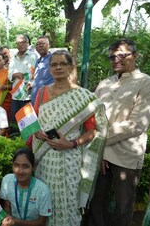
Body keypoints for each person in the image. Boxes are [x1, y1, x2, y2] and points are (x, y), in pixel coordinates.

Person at [32, 50, 108, 226]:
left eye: (62, 64)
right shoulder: (42, 92)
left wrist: (71, 143)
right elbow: (33, 120)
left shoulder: (83, 97)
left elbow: (92, 131)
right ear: (49, 68)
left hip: (70, 157)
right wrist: (36, 132)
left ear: (71, 67)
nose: (57, 67)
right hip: (45, 157)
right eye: (53, 64)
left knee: (69, 200)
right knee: (45, 198)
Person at [88, 39, 150, 226]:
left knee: (123, 205)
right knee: (96, 201)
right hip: (100, 153)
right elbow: (91, 113)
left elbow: (137, 124)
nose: (116, 60)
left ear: (135, 55)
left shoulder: (146, 83)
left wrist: (99, 140)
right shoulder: (104, 84)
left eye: (122, 55)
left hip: (126, 154)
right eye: (112, 57)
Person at [0, 148, 52, 226]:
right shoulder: (7, 180)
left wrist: (15, 221)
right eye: (16, 165)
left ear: (33, 167)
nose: (20, 171)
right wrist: (7, 220)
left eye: (26, 166)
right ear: (12, 165)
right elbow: (7, 207)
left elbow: (42, 222)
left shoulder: (42, 190)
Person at [8, 34, 37, 123]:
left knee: (27, 122)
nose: (20, 44)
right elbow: (9, 76)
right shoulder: (13, 58)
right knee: (14, 121)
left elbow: (36, 73)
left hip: (27, 95)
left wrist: (32, 82)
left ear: (27, 43)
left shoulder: (33, 56)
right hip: (16, 95)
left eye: (23, 42)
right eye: (18, 43)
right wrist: (15, 74)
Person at [30, 36, 54, 106]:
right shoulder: (38, 61)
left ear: (48, 45)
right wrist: (32, 83)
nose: (40, 45)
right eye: (37, 44)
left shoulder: (53, 59)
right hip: (36, 100)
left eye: (43, 43)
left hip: (48, 101)